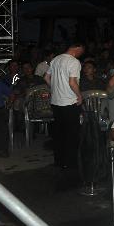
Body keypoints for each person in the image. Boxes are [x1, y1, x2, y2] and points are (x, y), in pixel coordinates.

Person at [44, 42, 85, 173]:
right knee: (71, 134)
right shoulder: (74, 62)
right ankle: (70, 163)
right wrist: (79, 96)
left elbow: (46, 77)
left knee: (59, 133)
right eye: (81, 51)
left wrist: (56, 88)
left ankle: (59, 161)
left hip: (56, 102)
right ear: (77, 48)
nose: (81, 54)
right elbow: (72, 82)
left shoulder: (56, 59)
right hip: (69, 102)